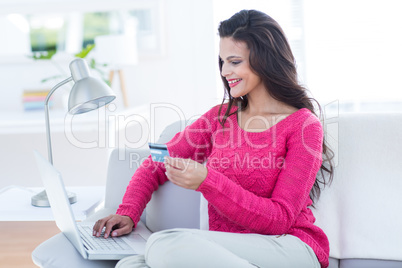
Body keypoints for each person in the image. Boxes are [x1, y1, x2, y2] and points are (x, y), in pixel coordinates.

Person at [93, 9, 334, 268]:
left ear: (265, 59)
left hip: (288, 246)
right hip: (226, 252)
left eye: (234, 61)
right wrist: (127, 212)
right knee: (129, 265)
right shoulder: (221, 118)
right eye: (222, 61)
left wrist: (207, 180)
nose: (225, 71)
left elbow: (280, 219)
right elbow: (157, 162)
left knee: (164, 245)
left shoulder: (303, 126)